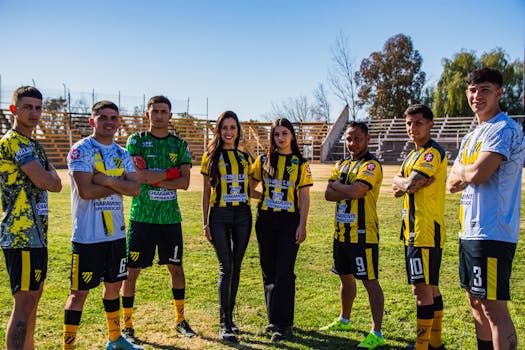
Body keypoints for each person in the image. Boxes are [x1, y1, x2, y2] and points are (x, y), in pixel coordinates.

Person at [447, 68, 524, 350]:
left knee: (493, 308)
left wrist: (465, 171)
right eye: (472, 90)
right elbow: (450, 183)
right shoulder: (472, 135)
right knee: (474, 301)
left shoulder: (504, 128)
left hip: (493, 231)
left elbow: (478, 174)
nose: (476, 96)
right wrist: (468, 172)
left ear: (499, 93)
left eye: (485, 90)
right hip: (470, 231)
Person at [63, 100, 142, 350]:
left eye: (113, 118)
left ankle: (115, 339)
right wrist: (118, 183)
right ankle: (69, 346)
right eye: (103, 117)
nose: (109, 122)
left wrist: (106, 179)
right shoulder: (81, 150)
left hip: (116, 235)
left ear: (119, 122)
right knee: (79, 294)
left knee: (113, 287)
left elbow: (136, 189)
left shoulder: (121, 153)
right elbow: (85, 191)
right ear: (92, 121)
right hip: (88, 236)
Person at [121, 95, 196, 341]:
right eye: (155, 111)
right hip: (141, 217)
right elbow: (137, 177)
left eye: (164, 111)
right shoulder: (137, 141)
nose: (160, 116)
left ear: (170, 115)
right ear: (147, 114)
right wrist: (169, 175)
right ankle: (128, 324)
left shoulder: (179, 144)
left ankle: (180, 319)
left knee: (176, 268)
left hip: (169, 219)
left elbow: (184, 183)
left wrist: (154, 177)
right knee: (132, 272)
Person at [0, 86, 62, 349]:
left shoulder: (34, 145)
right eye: (28, 107)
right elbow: (44, 179)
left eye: (38, 107)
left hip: (38, 235)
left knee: (33, 298)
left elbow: (56, 184)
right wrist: (50, 178)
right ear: (14, 110)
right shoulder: (12, 141)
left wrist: (50, 179)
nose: (34, 112)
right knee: (24, 303)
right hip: (20, 234)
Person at [320, 122, 385, 349]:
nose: (352, 143)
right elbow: (328, 195)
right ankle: (344, 320)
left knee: (370, 282)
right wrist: (344, 189)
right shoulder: (342, 163)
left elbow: (358, 191)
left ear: (367, 139)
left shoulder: (372, 165)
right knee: (345, 278)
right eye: (348, 139)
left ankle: (376, 332)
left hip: (363, 235)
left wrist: (339, 186)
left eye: (357, 138)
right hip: (341, 234)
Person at [251, 118, 313, 342]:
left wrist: (302, 225)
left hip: (289, 222)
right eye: (276, 134)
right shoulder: (264, 160)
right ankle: (273, 319)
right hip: (266, 220)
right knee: (268, 270)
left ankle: (284, 324)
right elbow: (250, 187)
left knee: (284, 272)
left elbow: (305, 196)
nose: (280, 138)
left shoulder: (300, 163)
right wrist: (265, 197)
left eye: (284, 133)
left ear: (292, 136)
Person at [392, 104, 447, 350]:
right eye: (408, 123)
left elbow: (411, 185)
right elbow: (400, 189)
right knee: (431, 287)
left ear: (430, 125)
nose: (412, 128)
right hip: (414, 230)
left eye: (418, 123)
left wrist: (400, 180)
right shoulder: (412, 155)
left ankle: (422, 346)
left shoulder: (431, 152)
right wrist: (403, 182)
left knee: (421, 289)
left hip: (424, 230)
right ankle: (435, 343)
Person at [201, 110, 258, 342]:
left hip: (243, 214)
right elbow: (206, 192)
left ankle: (231, 318)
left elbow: (252, 188)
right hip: (220, 215)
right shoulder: (211, 157)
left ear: (238, 130)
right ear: (219, 130)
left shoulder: (246, 158)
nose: (228, 132)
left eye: (232, 127)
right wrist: (205, 222)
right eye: (224, 128)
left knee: (236, 265)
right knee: (226, 266)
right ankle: (223, 322)